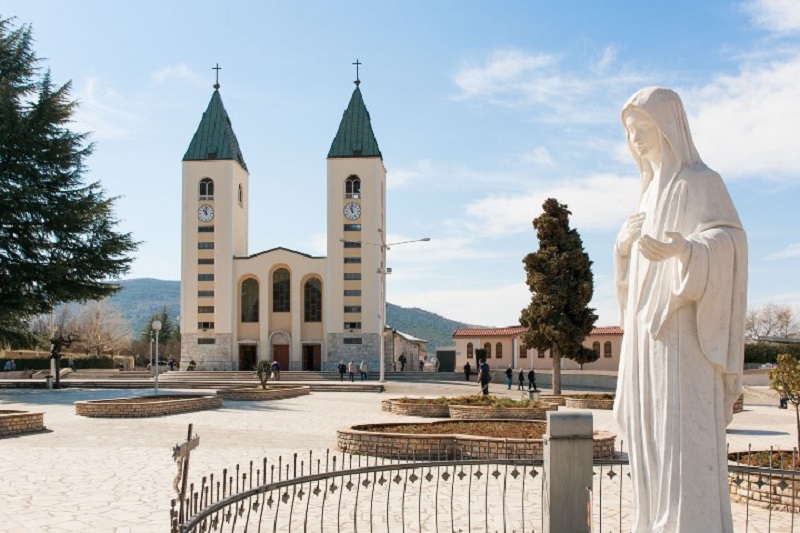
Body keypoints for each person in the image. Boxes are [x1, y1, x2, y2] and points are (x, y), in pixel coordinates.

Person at [614, 87, 747, 532]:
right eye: (630, 132)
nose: (635, 139)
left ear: (669, 128)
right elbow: (631, 283)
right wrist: (621, 251)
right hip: (645, 344)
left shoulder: (700, 182)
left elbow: (731, 241)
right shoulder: (647, 196)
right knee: (649, 438)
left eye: (643, 128)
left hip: (682, 338)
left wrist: (687, 251)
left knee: (680, 441)